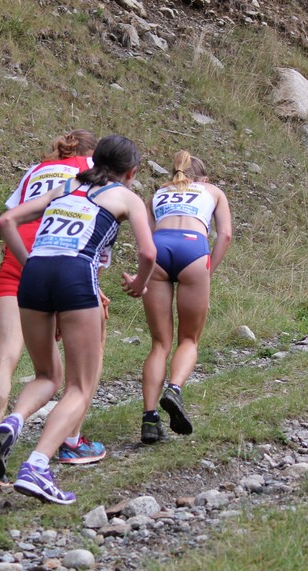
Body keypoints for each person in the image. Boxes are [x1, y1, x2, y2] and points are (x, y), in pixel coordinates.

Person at [0, 134, 156, 505]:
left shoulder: (67, 185)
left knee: (47, 375)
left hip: (33, 275)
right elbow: (148, 251)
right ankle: (37, 466)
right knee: (80, 385)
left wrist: (30, 263)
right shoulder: (127, 197)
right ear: (132, 172)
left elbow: (7, 219)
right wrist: (140, 285)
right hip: (77, 274)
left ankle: (12, 422)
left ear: (95, 162)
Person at [0, 130, 111, 489]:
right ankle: (71, 440)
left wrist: (26, 264)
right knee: (85, 356)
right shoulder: (93, 169)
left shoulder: (35, 170)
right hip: (64, 260)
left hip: (17, 260)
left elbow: (12, 216)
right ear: (92, 152)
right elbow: (95, 222)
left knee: (5, 354)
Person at [130, 151, 232, 444]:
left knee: (160, 343)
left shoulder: (158, 193)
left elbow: (145, 238)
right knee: (189, 339)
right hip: (193, 250)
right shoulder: (213, 191)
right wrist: (208, 268)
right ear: (203, 179)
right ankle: (174, 389)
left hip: (159, 251)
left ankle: (149, 419)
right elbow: (224, 235)